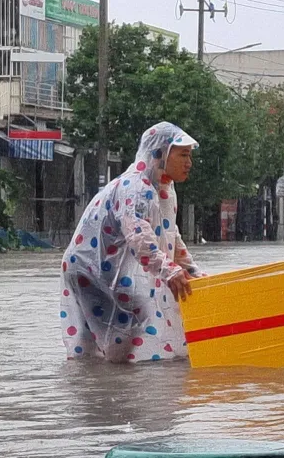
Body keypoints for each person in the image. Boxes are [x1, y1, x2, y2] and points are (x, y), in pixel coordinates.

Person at [60, 122, 206, 364]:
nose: (189, 163)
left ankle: (100, 377)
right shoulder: (136, 188)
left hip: (104, 268)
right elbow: (139, 238)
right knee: (134, 318)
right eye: (183, 155)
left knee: (109, 339)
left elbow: (170, 235)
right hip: (89, 269)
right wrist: (169, 270)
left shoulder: (163, 189)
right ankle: (113, 378)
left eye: (190, 155)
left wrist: (193, 272)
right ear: (160, 153)